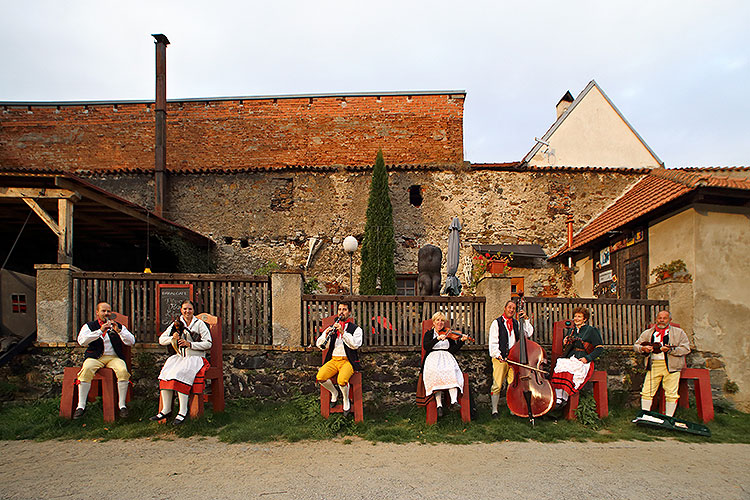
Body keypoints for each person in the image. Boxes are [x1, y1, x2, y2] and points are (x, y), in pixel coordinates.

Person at [150, 300, 212, 425]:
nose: (187, 311)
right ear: (181, 310)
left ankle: (183, 411)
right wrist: (172, 338)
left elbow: (208, 343)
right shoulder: (177, 324)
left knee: (180, 374)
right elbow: (161, 340)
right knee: (165, 373)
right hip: (180, 357)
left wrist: (190, 344)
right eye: (185, 309)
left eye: (189, 309)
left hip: (195, 358)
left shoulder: (199, 324)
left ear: (193, 310)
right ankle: (166, 409)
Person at [74, 301, 135, 419]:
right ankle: (81, 406)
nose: (106, 313)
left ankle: (122, 405)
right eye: (103, 311)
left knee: (123, 371)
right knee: (86, 369)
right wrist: (100, 331)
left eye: (108, 311)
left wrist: (119, 331)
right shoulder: (89, 326)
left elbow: (131, 341)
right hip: (95, 357)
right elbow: (81, 341)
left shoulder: (118, 326)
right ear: (97, 313)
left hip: (113, 357)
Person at [634, 310, 690, 417]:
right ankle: (645, 416)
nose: (662, 320)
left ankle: (669, 417)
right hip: (654, 365)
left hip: (672, 367)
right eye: (660, 318)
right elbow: (636, 346)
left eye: (665, 318)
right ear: (656, 319)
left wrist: (670, 350)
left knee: (671, 393)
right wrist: (643, 348)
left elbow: (686, 349)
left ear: (670, 320)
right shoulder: (648, 333)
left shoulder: (679, 333)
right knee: (647, 391)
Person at [315, 301, 363, 417]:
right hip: (334, 360)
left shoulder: (356, 329)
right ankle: (334, 392)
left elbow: (355, 345)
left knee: (342, 380)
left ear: (349, 313)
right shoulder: (331, 328)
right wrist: (326, 335)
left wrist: (343, 332)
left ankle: (346, 400)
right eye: (340, 309)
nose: (341, 312)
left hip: (347, 361)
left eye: (344, 310)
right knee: (320, 377)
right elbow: (320, 345)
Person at [549, 307, 603, 409]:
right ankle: (559, 397)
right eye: (575, 316)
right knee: (561, 365)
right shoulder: (572, 330)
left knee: (572, 368)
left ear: (585, 319)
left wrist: (587, 358)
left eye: (579, 316)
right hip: (572, 358)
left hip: (583, 360)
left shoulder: (591, 330)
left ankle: (564, 397)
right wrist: (566, 341)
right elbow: (569, 347)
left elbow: (599, 348)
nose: (576, 318)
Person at [488, 300, 534, 418]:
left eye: (513, 308)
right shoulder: (496, 323)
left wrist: (526, 319)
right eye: (509, 307)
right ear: (505, 308)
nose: (511, 310)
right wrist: (498, 355)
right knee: (497, 384)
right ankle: (494, 410)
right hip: (501, 358)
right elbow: (493, 341)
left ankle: (512, 409)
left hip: (514, 359)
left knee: (512, 384)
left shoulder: (517, 323)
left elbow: (528, 334)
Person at [419, 311, 469, 417]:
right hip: (433, 358)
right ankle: (439, 406)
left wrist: (461, 341)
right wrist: (436, 339)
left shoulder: (448, 333)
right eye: (438, 320)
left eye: (442, 321)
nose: (440, 323)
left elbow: (453, 349)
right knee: (435, 373)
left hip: (447, 357)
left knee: (452, 372)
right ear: (433, 322)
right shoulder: (429, 334)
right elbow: (426, 346)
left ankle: (454, 402)